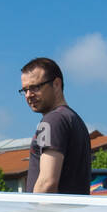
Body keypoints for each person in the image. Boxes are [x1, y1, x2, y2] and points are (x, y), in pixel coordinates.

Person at [20, 57, 92, 194]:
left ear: (57, 84)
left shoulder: (52, 120)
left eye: (35, 87)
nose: (29, 95)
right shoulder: (74, 119)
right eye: (25, 90)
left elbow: (47, 182)